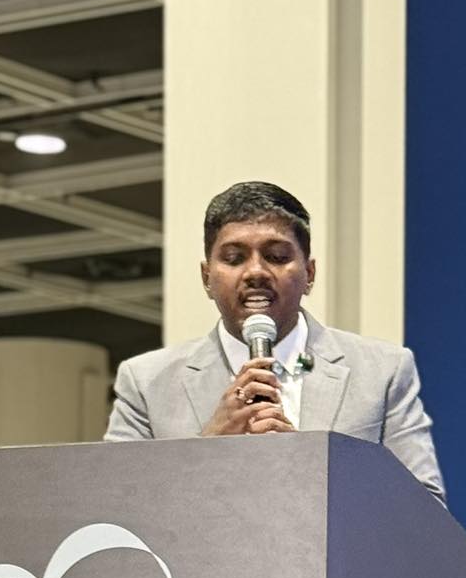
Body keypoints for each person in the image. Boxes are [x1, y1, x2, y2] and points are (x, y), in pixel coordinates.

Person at [104, 181, 446, 501]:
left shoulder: (382, 372)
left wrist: (305, 470)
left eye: (277, 257)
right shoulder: (146, 383)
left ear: (309, 274)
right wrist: (207, 448)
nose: (256, 272)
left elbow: (425, 509)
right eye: (234, 258)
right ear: (207, 277)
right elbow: (115, 509)